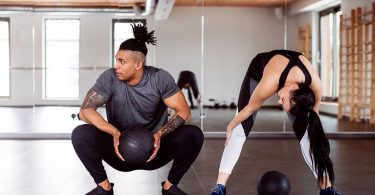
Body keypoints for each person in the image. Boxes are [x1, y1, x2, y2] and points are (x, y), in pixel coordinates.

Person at [71, 23, 204, 195]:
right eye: (116, 60)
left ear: (138, 64)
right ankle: (103, 188)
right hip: (119, 151)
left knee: (194, 134)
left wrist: (159, 135)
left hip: (155, 150)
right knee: (81, 134)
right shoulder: (110, 78)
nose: (116, 66)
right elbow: (85, 111)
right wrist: (114, 133)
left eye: (122, 62)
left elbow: (184, 112)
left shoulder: (159, 78)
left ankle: (170, 187)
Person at [210, 50, 342, 195]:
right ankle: (219, 187)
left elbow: (314, 116)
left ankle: (327, 188)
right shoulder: (270, 82)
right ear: (292, 88)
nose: (278, 101)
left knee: (308, 134)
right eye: (283, 100)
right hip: (259, 71)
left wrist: (317, 137)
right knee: (239, 128)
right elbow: (249, 108)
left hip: (286, 75)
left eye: (282, 102)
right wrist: (230, 126)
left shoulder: (316, 87)